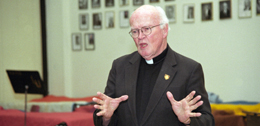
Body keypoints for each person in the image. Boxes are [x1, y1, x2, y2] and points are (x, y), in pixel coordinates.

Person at [93, 5, 214, 126]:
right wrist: (106, 118)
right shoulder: (120, 67)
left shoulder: (189, 70)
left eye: (146, 29)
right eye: (135, 31)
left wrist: (188, 121)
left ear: (164, 30)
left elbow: (207, 121)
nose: (140, 36)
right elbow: (103, 114)